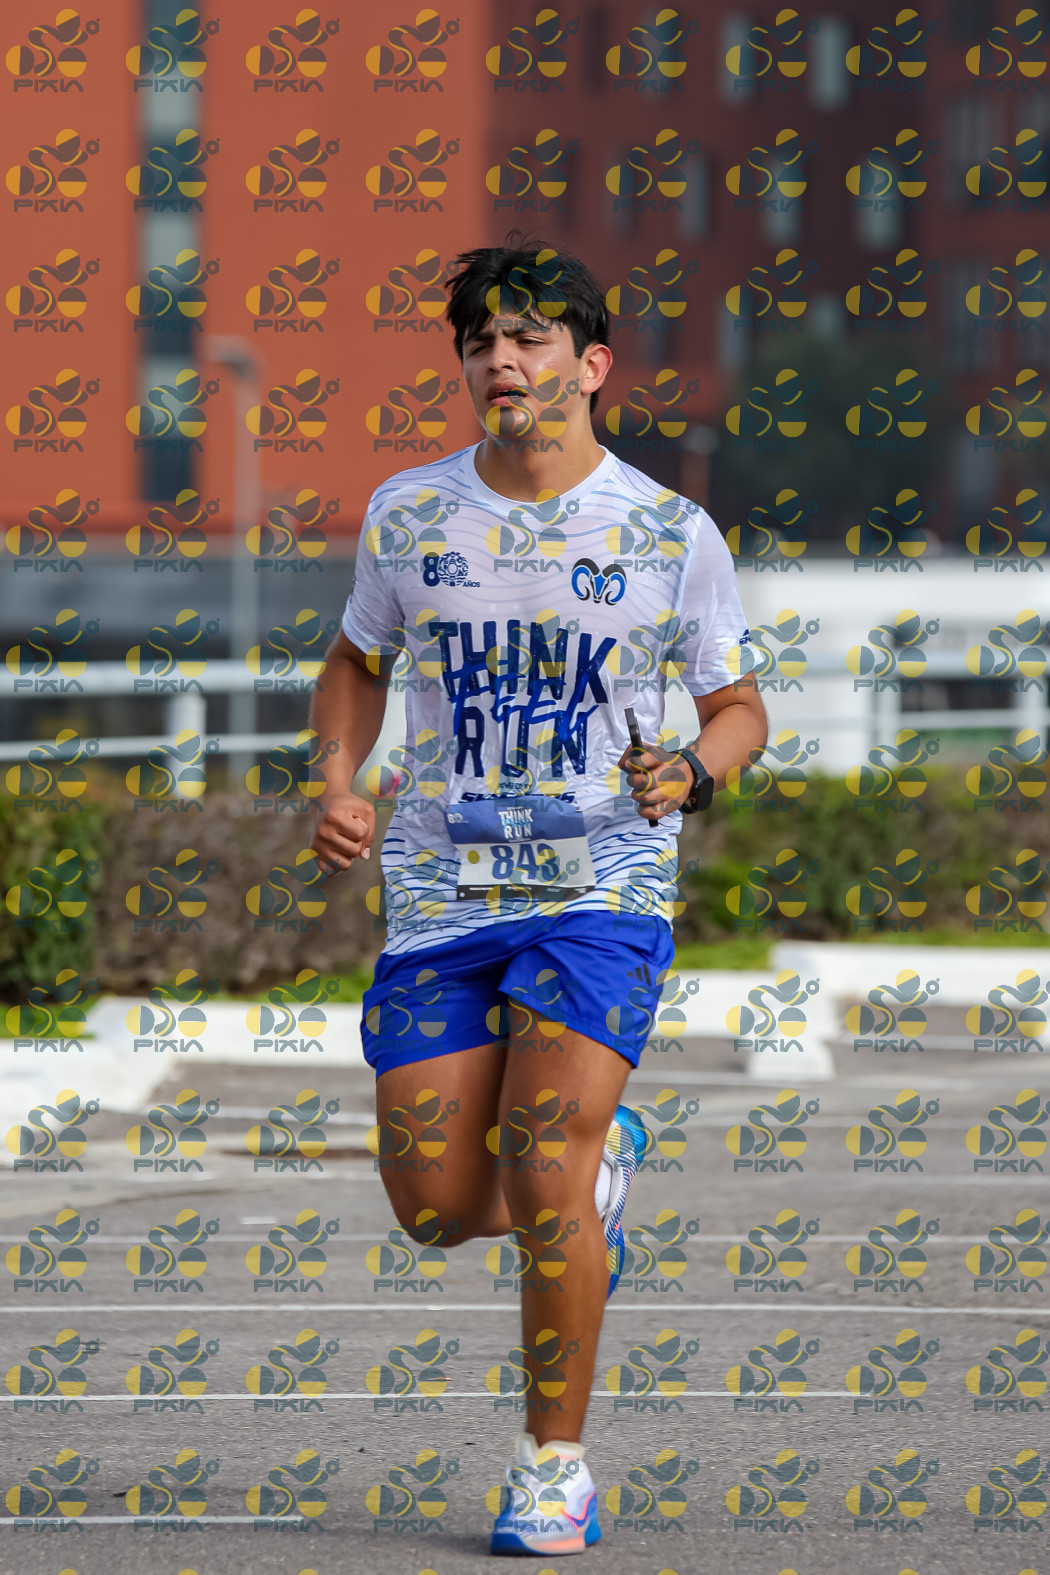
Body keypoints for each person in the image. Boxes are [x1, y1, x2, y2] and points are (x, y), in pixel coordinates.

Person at [309, 240, 767, 1556]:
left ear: (591, 364)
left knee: (545, 1164)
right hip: (439, 893)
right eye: (479, 343)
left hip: (600, 890)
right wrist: (338, 779)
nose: (499, 361)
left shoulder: (667, 531)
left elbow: (739, 708)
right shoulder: (409, 513)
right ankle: (595, 1167)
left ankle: (550, 1465)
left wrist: (693, 768)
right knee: (435, 1205)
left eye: (527, 339)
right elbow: (354, 662)